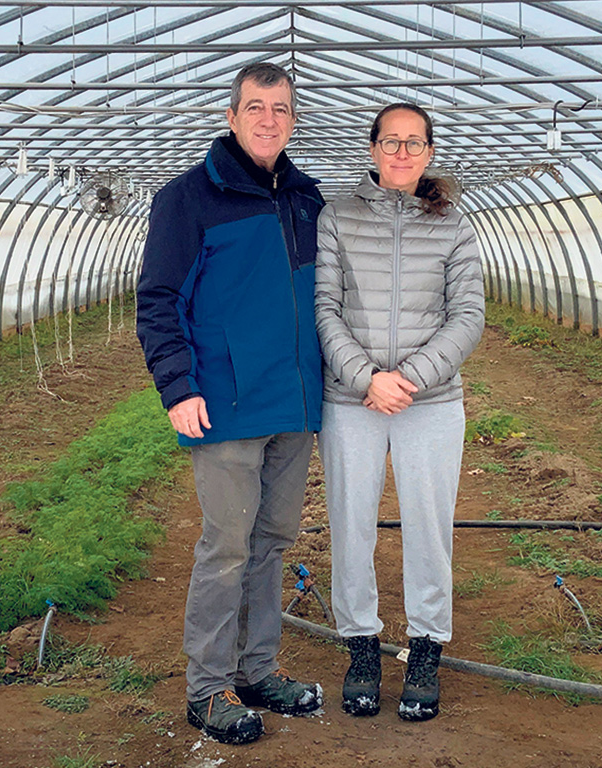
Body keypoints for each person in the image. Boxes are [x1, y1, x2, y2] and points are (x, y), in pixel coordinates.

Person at [136, 62, 326, 745]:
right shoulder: (189, 199)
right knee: (225, 546)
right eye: (255, 107)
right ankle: (207, 688)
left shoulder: (305, 200)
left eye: (280, 108)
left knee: (271, 542)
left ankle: (256, 669)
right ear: (231, 115)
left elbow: (322, 301)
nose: (268, 119)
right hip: (225, 405)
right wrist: (178, 387)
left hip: (293, 402)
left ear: (293, 119)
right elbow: (158, 301)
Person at [314, 103, 485, 722]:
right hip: (351, 398)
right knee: (350, 523)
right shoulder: (337, 218)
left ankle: (424, 650)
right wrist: (368, 379)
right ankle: (360, 647)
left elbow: (467, 316)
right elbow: (324, 307)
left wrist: (407, 379)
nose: (403, 153)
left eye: (415, 143)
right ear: (372, 149)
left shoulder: (455, 227)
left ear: (430, 153)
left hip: (429, 402)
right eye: (392, 141)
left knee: (428, 526)